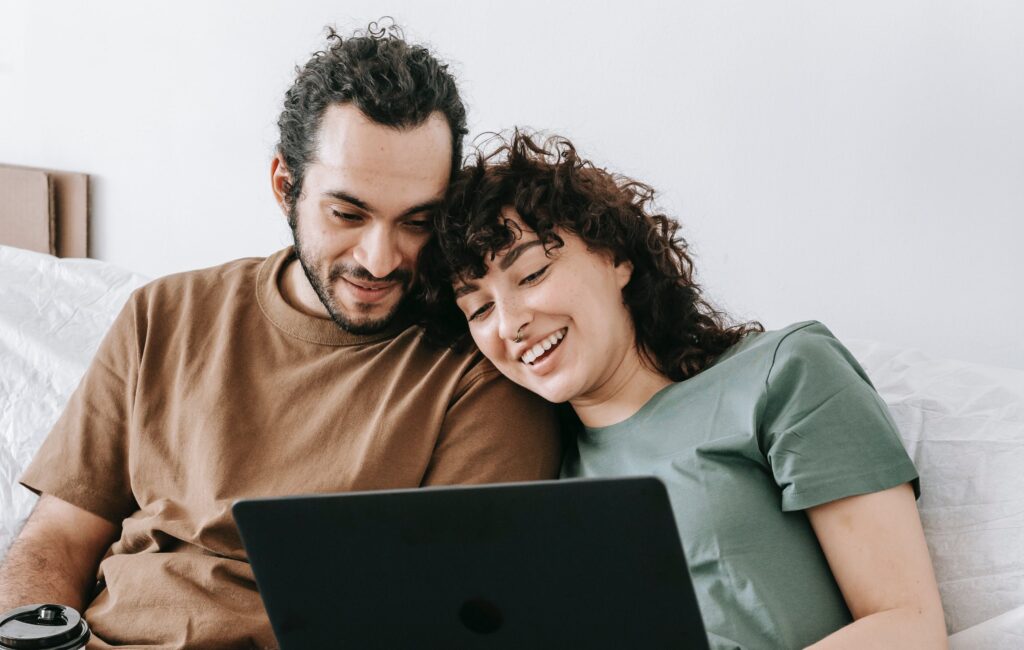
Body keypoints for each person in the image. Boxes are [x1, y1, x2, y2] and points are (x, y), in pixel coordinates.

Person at [0, 25, 562, 648]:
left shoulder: (478, 372)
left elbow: (441, 622)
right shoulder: (162, 313)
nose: (380, 259)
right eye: (347, 214)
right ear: (284, 187)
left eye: (417, 222)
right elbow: (58, 536)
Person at [420, 131, 948, 649]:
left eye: (531, 274)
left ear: (616, 257)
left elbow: (910, 628)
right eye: (480, 309)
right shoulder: (544, 478)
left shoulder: (783, 373)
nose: (510, 324)